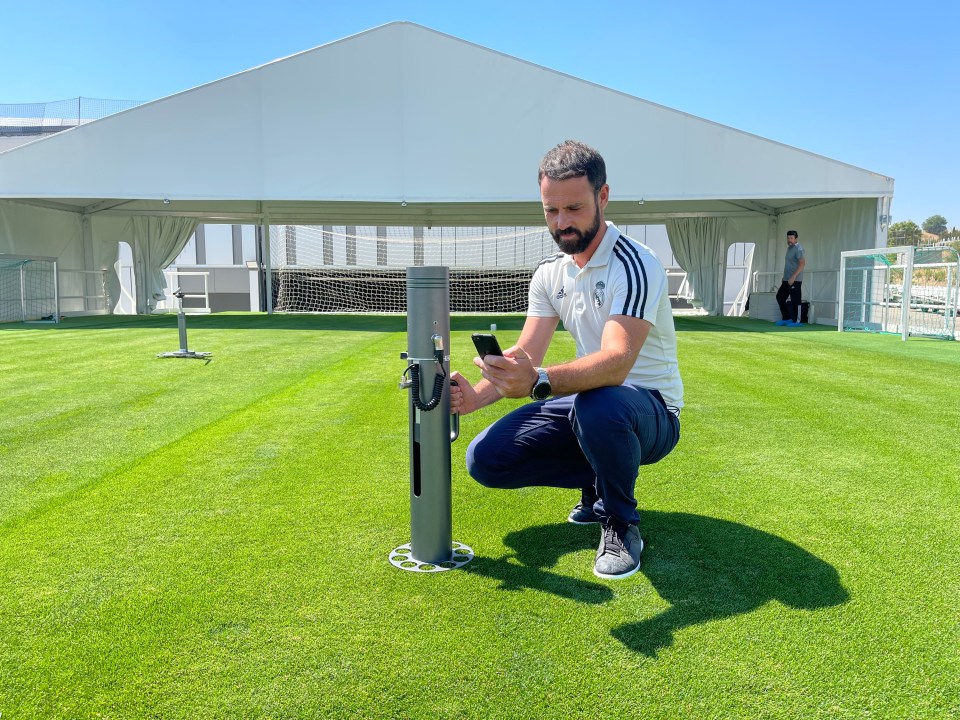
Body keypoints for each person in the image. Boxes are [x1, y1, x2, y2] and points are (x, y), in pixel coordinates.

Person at [450, 140, 683, 580]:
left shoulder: (635, 264)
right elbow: (526, 353)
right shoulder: (550, 272)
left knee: (601, 403)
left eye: (573, 208)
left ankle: (619, 521)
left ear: (603, 196)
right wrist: (475, 397)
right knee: (486, 460)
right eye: (550, 211)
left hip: (651, 411)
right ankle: (597, 480)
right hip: (592, 404)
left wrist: (536, 380)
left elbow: (615, 363)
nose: (562, 222)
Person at [775, 230, 806, 326]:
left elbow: (802, 264)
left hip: (795, 280)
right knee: (780, 297)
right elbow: (789, 264)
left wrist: (794, 276)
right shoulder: (789, 248)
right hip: (786, 279)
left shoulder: (799, 249)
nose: (789, 240)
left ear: (796, 238)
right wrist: (785, 277)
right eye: (788, 238)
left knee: (795, 301)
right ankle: (787, 318)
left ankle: (797, 321)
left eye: (791, 238)